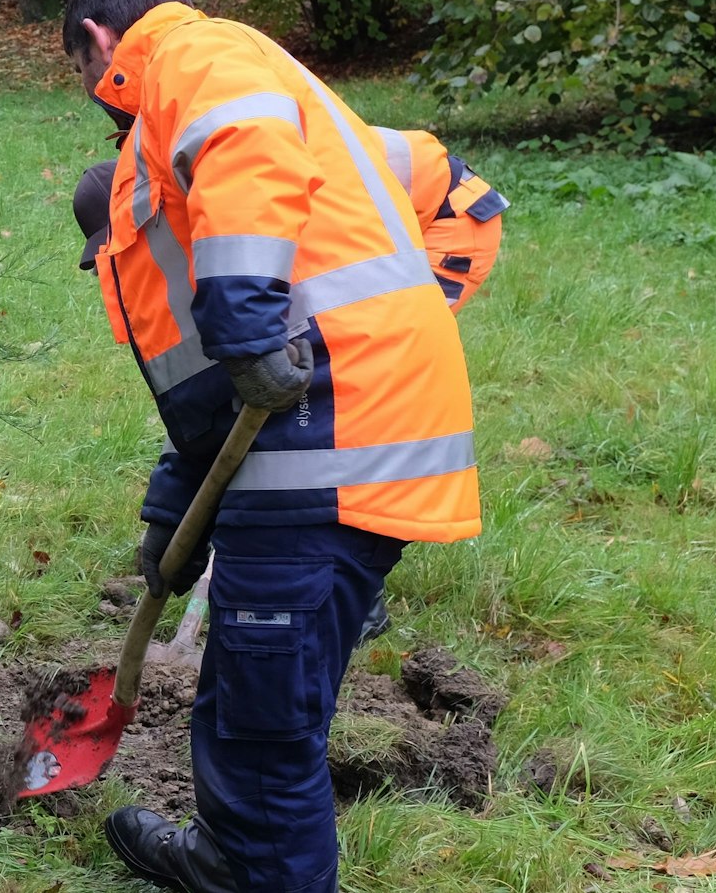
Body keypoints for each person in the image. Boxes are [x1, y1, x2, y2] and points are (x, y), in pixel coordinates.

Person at [61, 0, 483, 892]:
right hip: (308, 439)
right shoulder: (214, 144)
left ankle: (253, 870)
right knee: (251, 696)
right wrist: (174, 511)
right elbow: (216, 398)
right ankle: (233, 854)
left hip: (331, 445)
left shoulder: (195, 57)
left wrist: (272, 330)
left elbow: (242, 150)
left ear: (98, 42)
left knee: (264, 725)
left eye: (85, 76)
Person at [71, 132, 506, 650]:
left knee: (341, 393)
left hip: (447, 220)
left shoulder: (239, 198)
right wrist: (171, 515)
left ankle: (352, 591)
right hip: (372, 221)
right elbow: (215, 391)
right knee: (273, 384)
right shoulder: (207, 213)